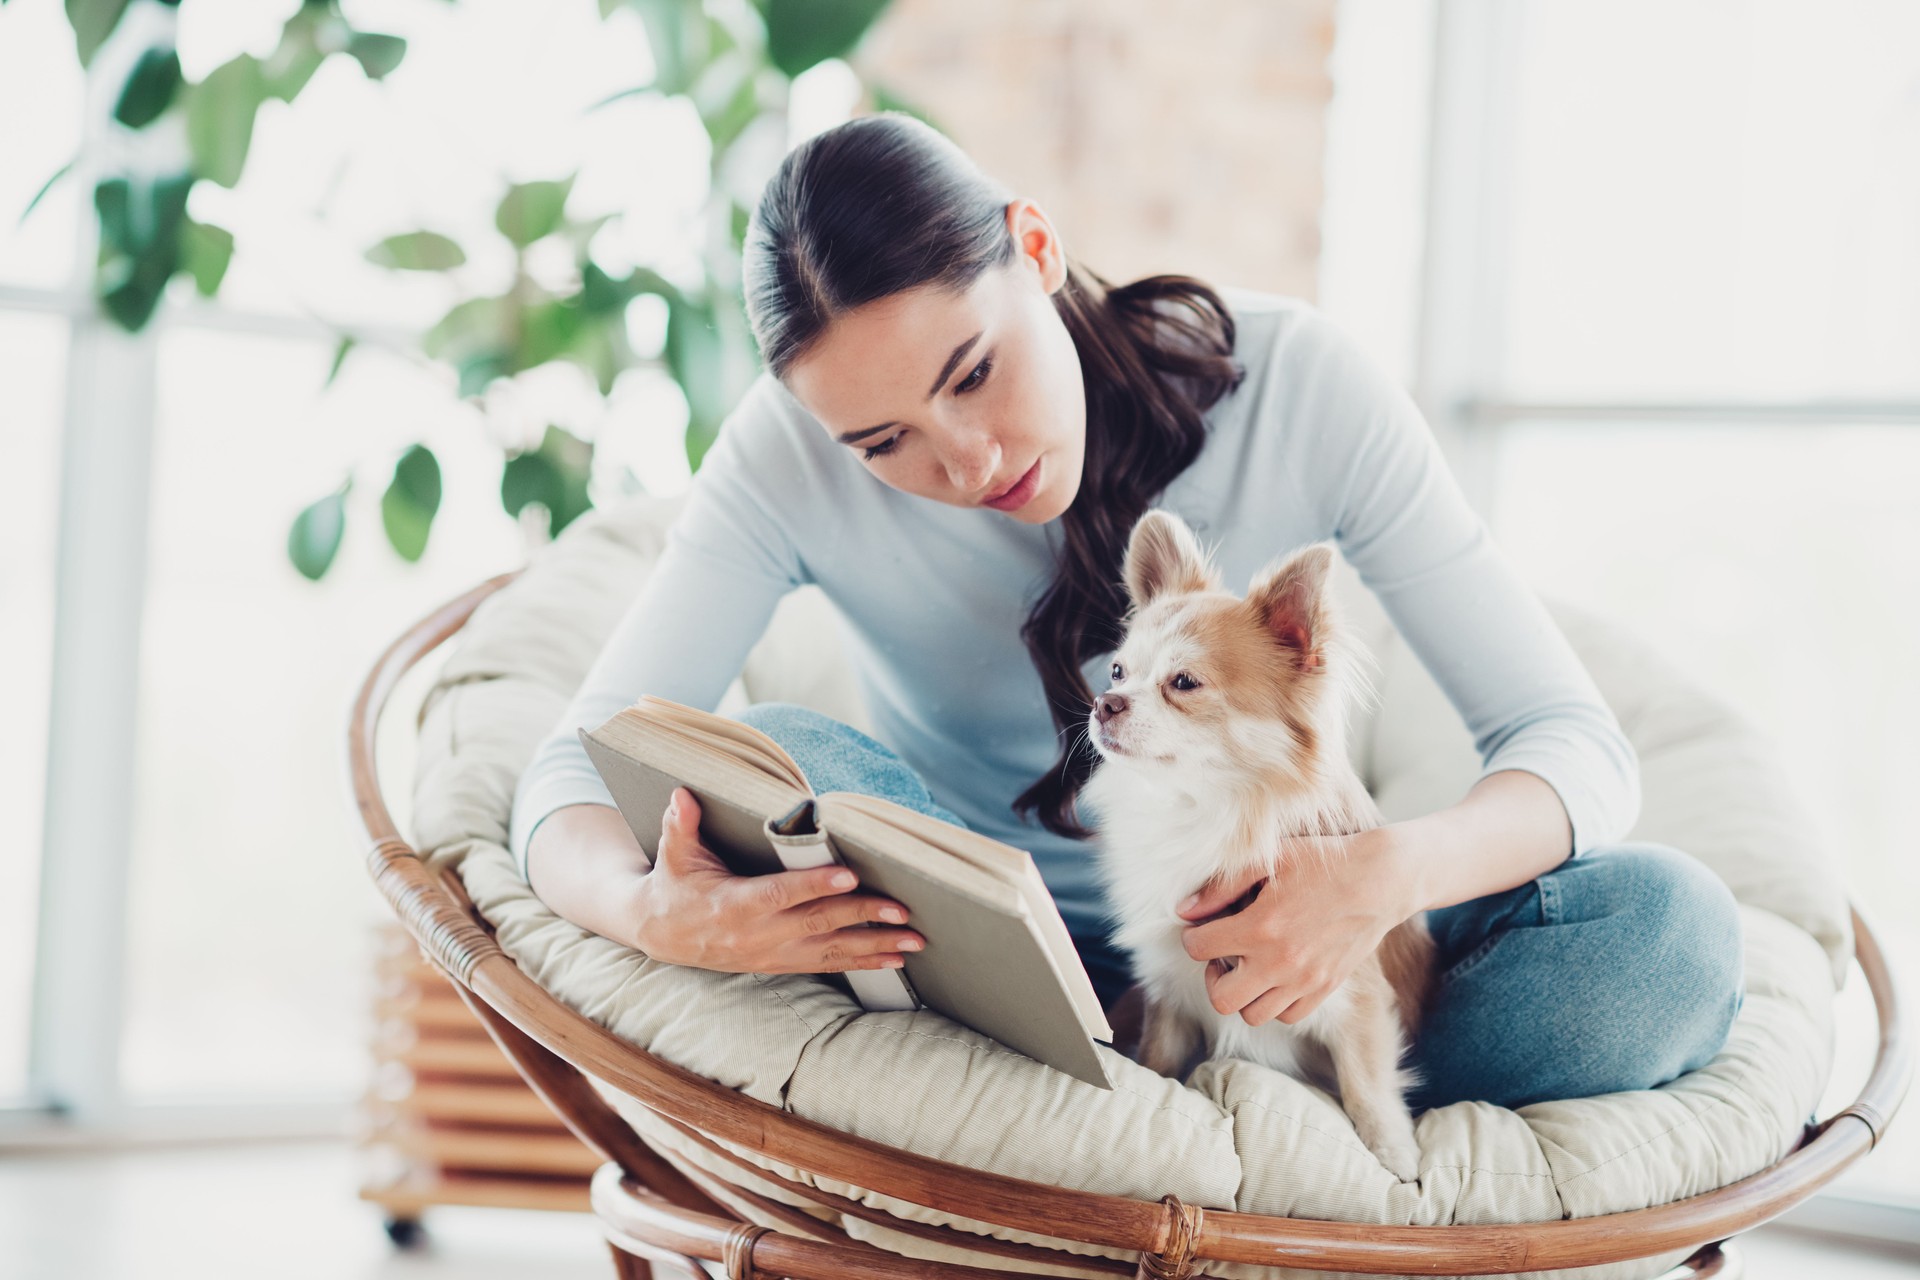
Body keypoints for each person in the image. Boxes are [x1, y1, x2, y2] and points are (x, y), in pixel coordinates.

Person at [509, 113, 1744, 1112]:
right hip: (994, 970)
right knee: (783, 752)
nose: (969, 459)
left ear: (1034, 247)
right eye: (886, 442)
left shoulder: (1302, 385)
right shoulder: (785, 458)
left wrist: (1371, 879)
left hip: (1303, 930)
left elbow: (1573, 742)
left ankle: (1281, 1088)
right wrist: (648, 909)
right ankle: (1143, 1091)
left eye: (974, 371)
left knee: (1669, 937)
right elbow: (580, 753)